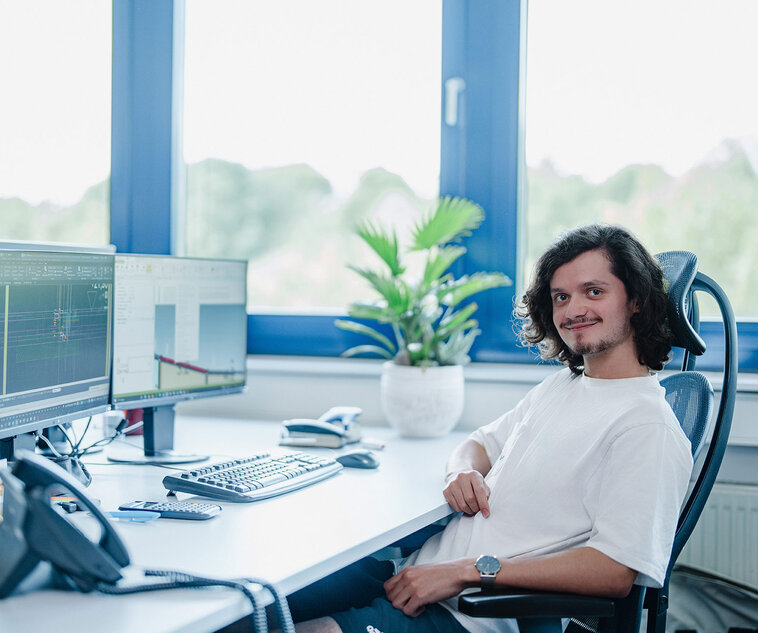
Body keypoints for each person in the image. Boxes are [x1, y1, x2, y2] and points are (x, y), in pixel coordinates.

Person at [285, 224, 695, 633]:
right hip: (413, 575)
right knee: (258, 598)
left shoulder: (647, 428)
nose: (573, 311)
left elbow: (614, 571)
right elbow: (479, 444)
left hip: (471, 613)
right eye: (561, 297)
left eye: (594, 291)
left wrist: (468, 572)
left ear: (637, 300)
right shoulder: (562, 386)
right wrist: (460, 470)